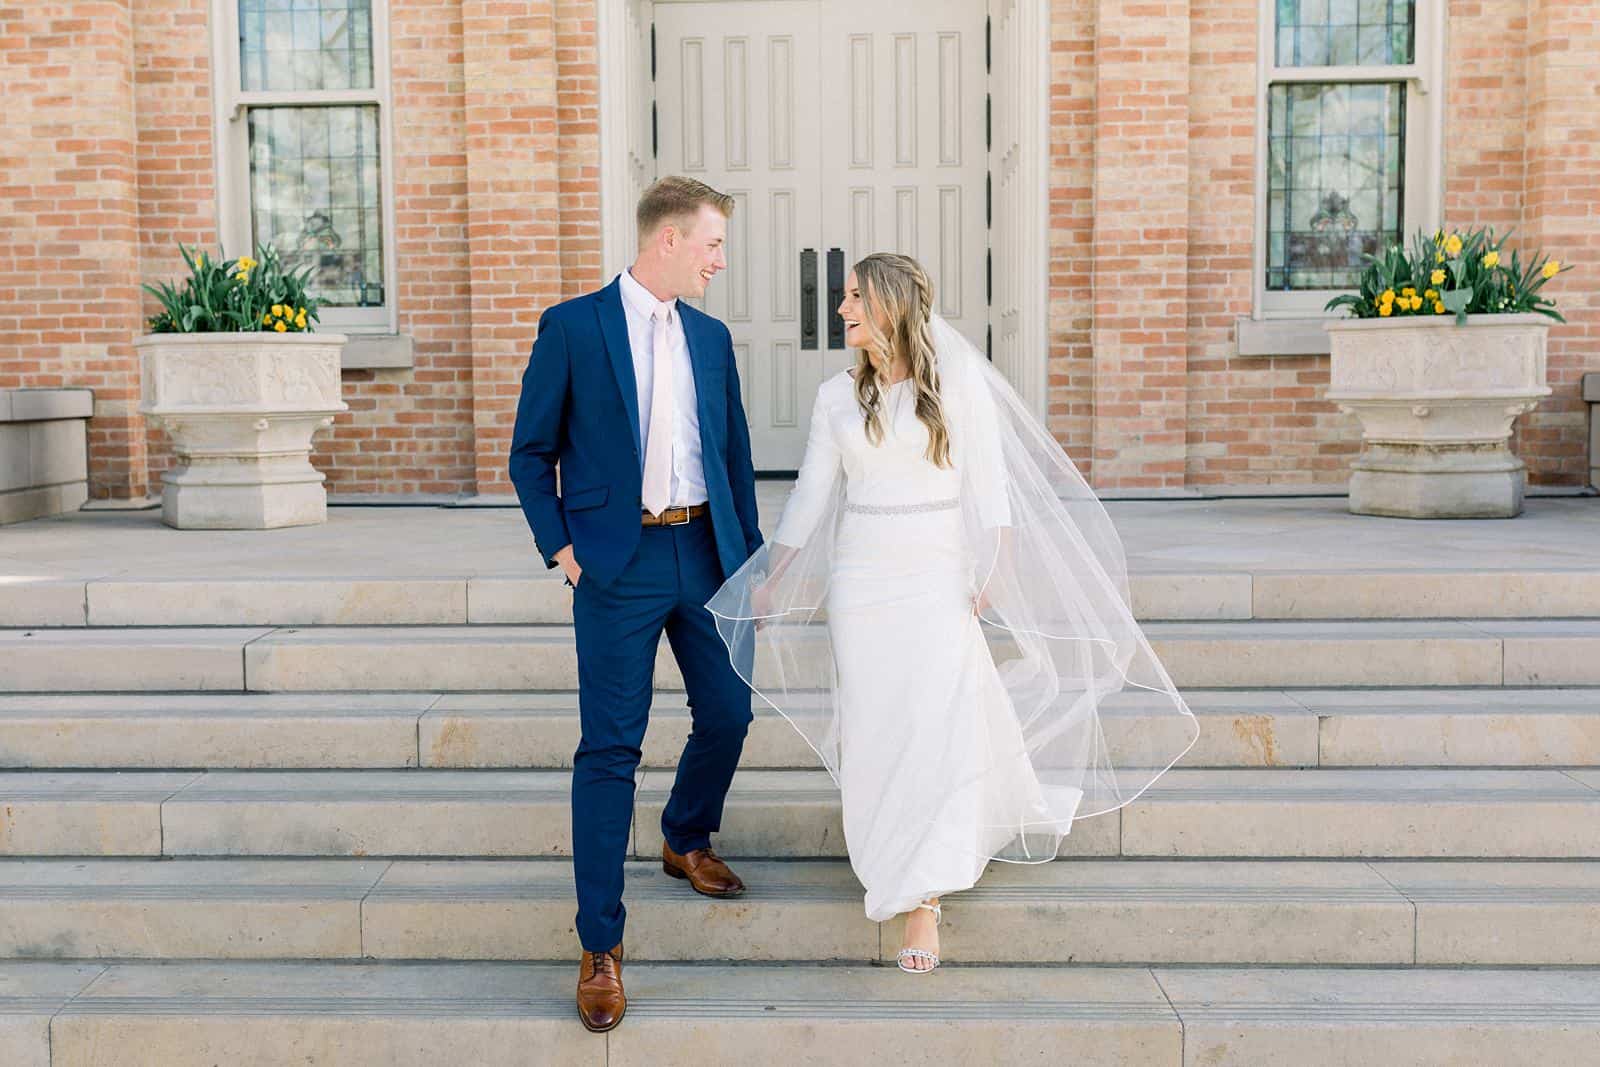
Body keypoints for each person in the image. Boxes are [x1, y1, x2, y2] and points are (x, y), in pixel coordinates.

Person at [709, 253, 1198, 973]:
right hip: (862, 584)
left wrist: (993, 565)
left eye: (854, 299)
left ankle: (924, 898)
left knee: (936, 723)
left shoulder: (956, 383)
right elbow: (810, 498)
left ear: (891, 309)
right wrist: (773, 576)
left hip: (937, 575)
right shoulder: (834, 399)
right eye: (843, 298)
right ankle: (889, 846)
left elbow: (990, 487)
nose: (841, 310)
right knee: (879, 726)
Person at [509, 176, 763, 1030]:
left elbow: (733, 457)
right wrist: (564, 549)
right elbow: (529, 451)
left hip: (705, 551)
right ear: (669, 242)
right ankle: (599, 943)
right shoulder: (574, 327)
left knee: (729, 711)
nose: (720, 261)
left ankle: (685, 833)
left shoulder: (714, 337)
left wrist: (747, 561)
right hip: (616, 564)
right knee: (610, 747)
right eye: (713, 245)